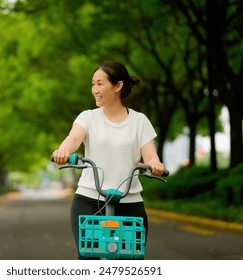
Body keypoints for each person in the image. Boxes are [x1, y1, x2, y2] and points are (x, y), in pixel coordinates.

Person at [52, 61, 165, 259]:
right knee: (90, 258)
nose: (94, 90)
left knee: (131, 261)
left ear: (118, 86)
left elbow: (149, 155)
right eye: (93, 84)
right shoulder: (87, 118)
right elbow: (73, 139)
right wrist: (63, 151)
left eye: (100, 84)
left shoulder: (140, 121)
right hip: (89, 201)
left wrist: (154, 163)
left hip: (130, 201)